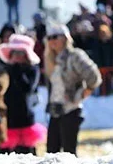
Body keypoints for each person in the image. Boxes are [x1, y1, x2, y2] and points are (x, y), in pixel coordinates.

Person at [43, 23, 102, 155]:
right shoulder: (50, 59)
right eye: (49, 38)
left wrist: (81, 94)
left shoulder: (75, 55)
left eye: (55, 37)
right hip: (55, 109)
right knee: (51, 153)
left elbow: (94, 76)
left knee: (69, 152)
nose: (52, 41)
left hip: (71, 109)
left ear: (65, 38)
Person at [0, 33, 45, 154]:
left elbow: (27, 88)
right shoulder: (4, 69)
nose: (17, 56)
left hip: (25, 119)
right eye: (14, 52)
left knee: (26, 155)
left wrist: (17, 69)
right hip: (8, 118)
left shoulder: (32, 70)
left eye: (21, 53)